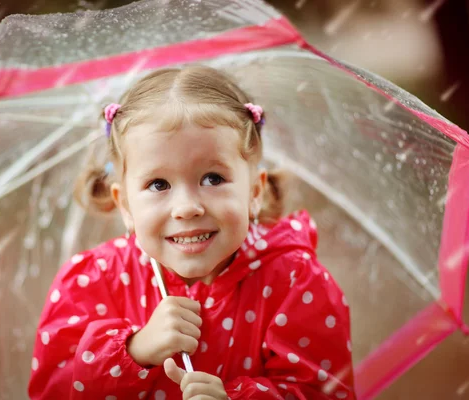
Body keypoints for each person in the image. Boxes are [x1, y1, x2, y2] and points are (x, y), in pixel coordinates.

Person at [28, 65, 356, 399]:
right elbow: (53, 390)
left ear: (254, 193)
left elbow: (323, 391)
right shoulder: (93, 282)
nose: (186, 207)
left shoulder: (294, 283)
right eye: (159, 184)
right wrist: (133, 350)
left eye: (213, 178)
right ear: (125, 205)